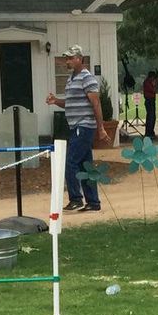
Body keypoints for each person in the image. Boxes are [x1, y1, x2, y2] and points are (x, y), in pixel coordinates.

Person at [46, 45, 104, 212]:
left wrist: (101, 128)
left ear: (80, 59)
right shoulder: (71, 79)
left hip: (84, 126)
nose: (68, 61)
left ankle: (76, 198)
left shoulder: (87, 78)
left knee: (70, 161)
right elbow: (70, 104)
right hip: (76, 126)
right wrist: (56, 101)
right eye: (67, 58)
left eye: (71, 58)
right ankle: (93, 202)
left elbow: (96, 104)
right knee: (86, 165)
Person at [142, 69, 158, 138]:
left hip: (151, 100)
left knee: (152, 117)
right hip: (149, 100)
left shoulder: (149, 82)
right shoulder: (147, 82)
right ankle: (148, 133)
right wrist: (155, 84)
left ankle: (151, 131)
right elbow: (153, 90)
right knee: (150, 117)